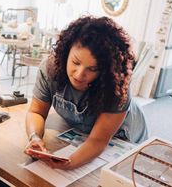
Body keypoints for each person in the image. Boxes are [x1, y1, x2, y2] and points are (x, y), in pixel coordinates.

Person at [25, 16, 148, 170]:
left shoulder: (116, 86)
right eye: (75, 62)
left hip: (124, 135)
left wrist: (70, 163)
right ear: (66, 51)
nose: (79, 74)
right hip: (85, 133)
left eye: (93, 69)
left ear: (105, 71)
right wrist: (34, 137)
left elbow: (98, 140)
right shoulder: (50, 69)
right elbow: (36, 111)